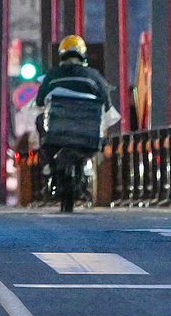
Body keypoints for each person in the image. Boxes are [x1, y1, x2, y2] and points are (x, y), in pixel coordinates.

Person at [37, 36, 114, 212]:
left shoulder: (52, 75)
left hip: (57, 134)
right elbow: (106, 101)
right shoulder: (93, 75)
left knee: (40, 122)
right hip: (86, 135)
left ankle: (48, 165)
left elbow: (40, 100)